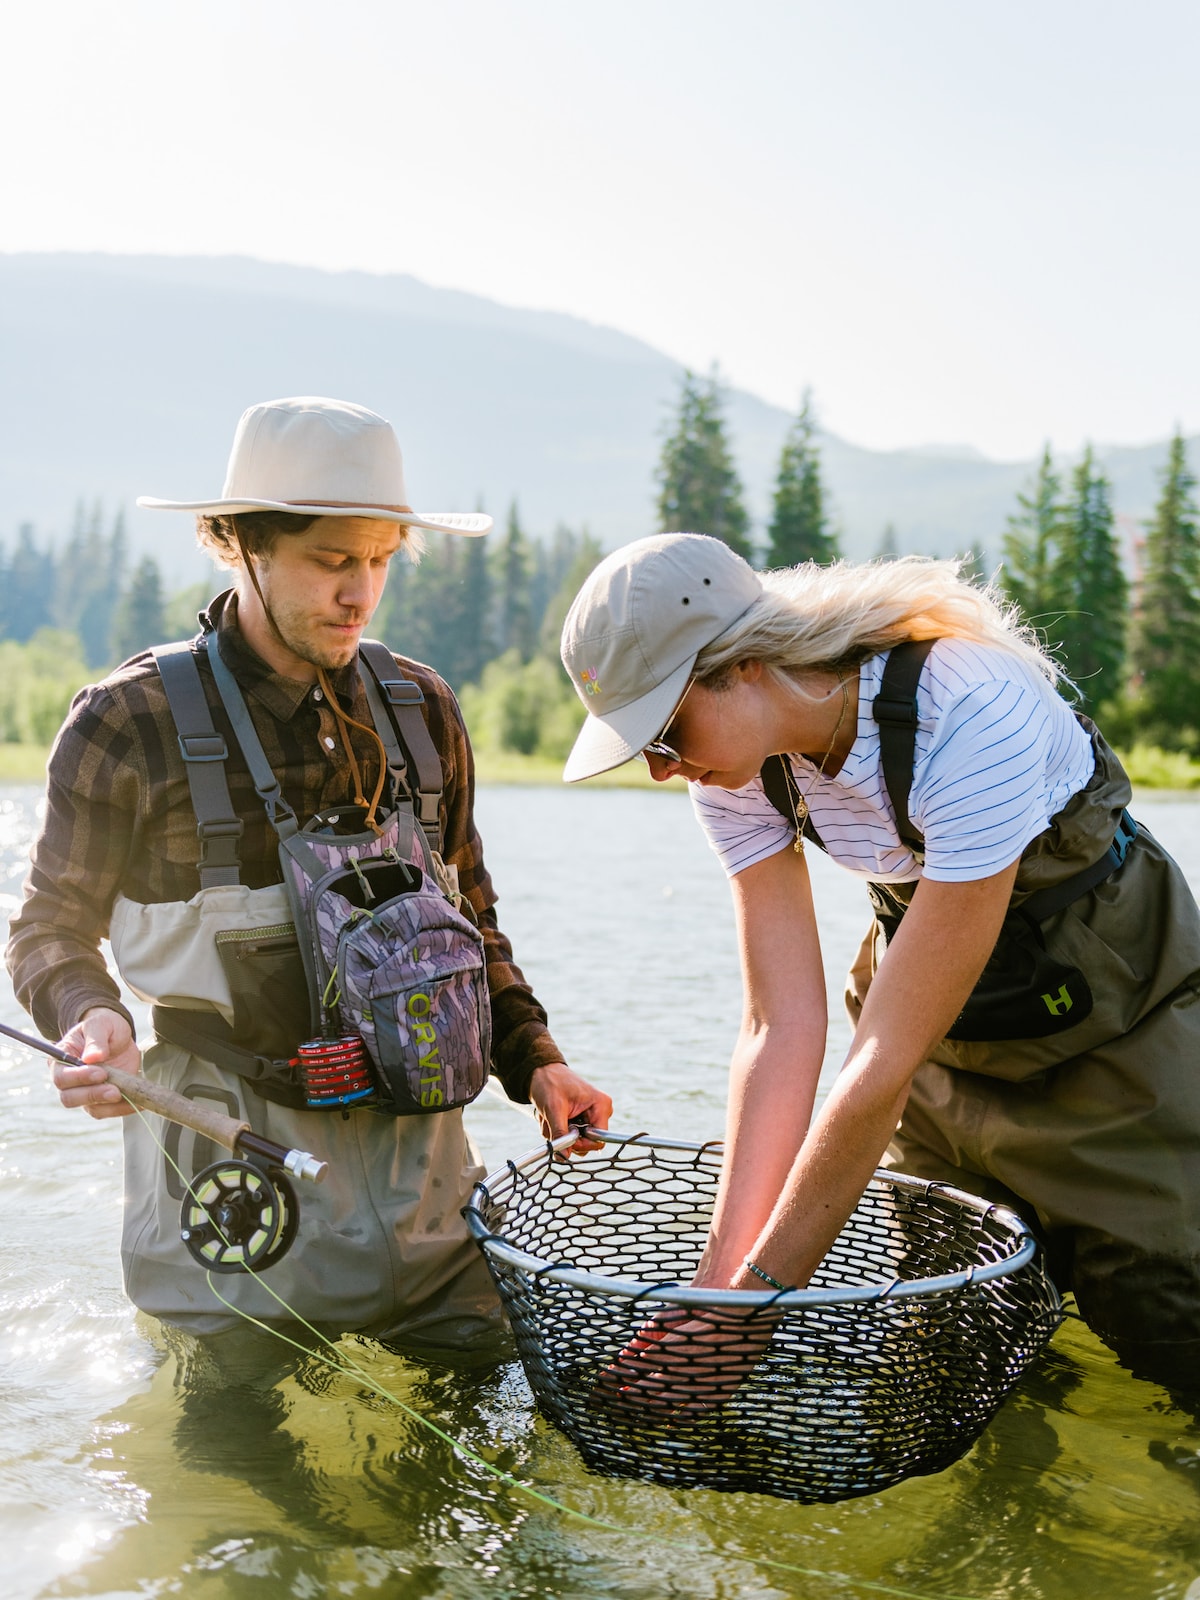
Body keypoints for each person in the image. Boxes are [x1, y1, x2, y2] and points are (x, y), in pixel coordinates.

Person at [7, 395, 610, 1353]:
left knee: (484, 1463)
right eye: (333, 561)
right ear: (242, 544)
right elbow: (47, 927)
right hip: (234, 1194)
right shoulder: (129, 721)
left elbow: (472, 915)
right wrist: (93, 1016)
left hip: (432, 1192)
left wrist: (535, 1059)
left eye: (380, 559)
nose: (361, 592)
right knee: (241, 1478)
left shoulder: (422, 706)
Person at [559, 531, 1200, 1395]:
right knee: (950, 1342)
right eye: (644, 747)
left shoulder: (970, 709)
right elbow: (777, 1025)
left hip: (1116, 1028)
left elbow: (880, 1061)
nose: (665, 770)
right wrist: (716, 1293)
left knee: (1166, 1328)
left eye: (667, 729)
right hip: (940, 1044)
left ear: (743, 663)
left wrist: (761, 1303)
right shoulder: (731, 772)